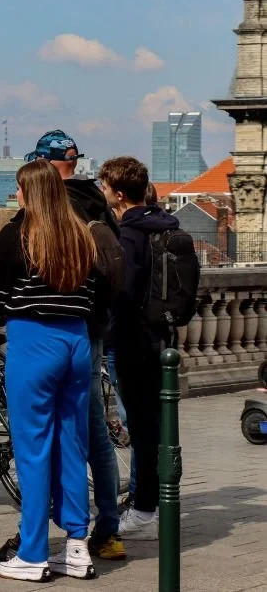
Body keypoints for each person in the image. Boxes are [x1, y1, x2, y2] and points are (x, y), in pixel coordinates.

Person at [0, 130, 126, 566]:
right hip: (77, 341)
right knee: (72, 441)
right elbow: (101, 292)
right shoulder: (80, 233)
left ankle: (32, 552)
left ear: (29, 191)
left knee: (32, 448)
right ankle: (78, 545)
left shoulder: (19, 234)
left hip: (33, 341)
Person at [98, 157, 180, 539]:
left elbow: (123, 292)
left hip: (132, 340)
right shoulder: (165, 227)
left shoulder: (128, 235)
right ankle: (161, 498)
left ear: (117, 193)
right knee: (156, 424)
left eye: (103, 186)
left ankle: (145, 507)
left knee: (142, 426)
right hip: (161, 339)